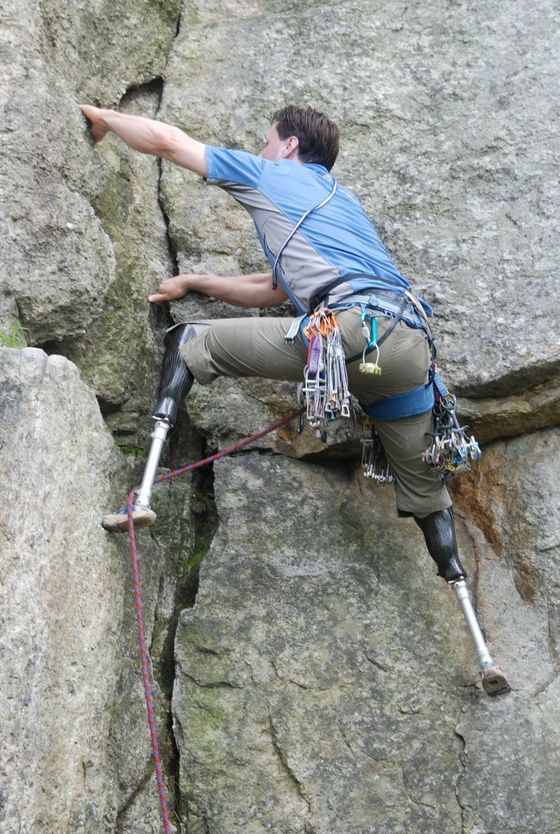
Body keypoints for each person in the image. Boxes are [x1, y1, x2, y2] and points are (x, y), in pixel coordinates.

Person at [81, 103, 509, 693]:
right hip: (405, 352)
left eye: (264, 143)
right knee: (425, 492)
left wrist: (99, 115)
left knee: (187, 343)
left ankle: (143, 495)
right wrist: (196, 282)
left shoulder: (273, 177)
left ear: (286, 147)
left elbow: (165, 141)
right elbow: (271, 289)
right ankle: (484, 654)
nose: (259, 153)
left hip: (349, 335)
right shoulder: (338, 204)